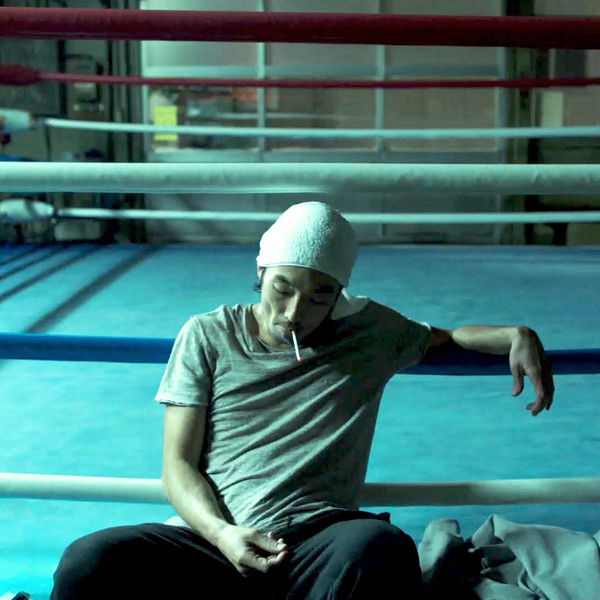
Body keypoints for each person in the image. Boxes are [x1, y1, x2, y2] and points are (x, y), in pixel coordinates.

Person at [51, 202, 554, 600]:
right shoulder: (206, 334)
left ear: (339, 295)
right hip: (213, 539)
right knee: (89, 560)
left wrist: (517, 333)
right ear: (261, 270)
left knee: (381, 549)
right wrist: (222, 534)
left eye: (319, 295)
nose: (294, 311)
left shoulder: (370, 332)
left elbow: (448, 337)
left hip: (316, 540)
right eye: (283, 287)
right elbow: (177, 465)